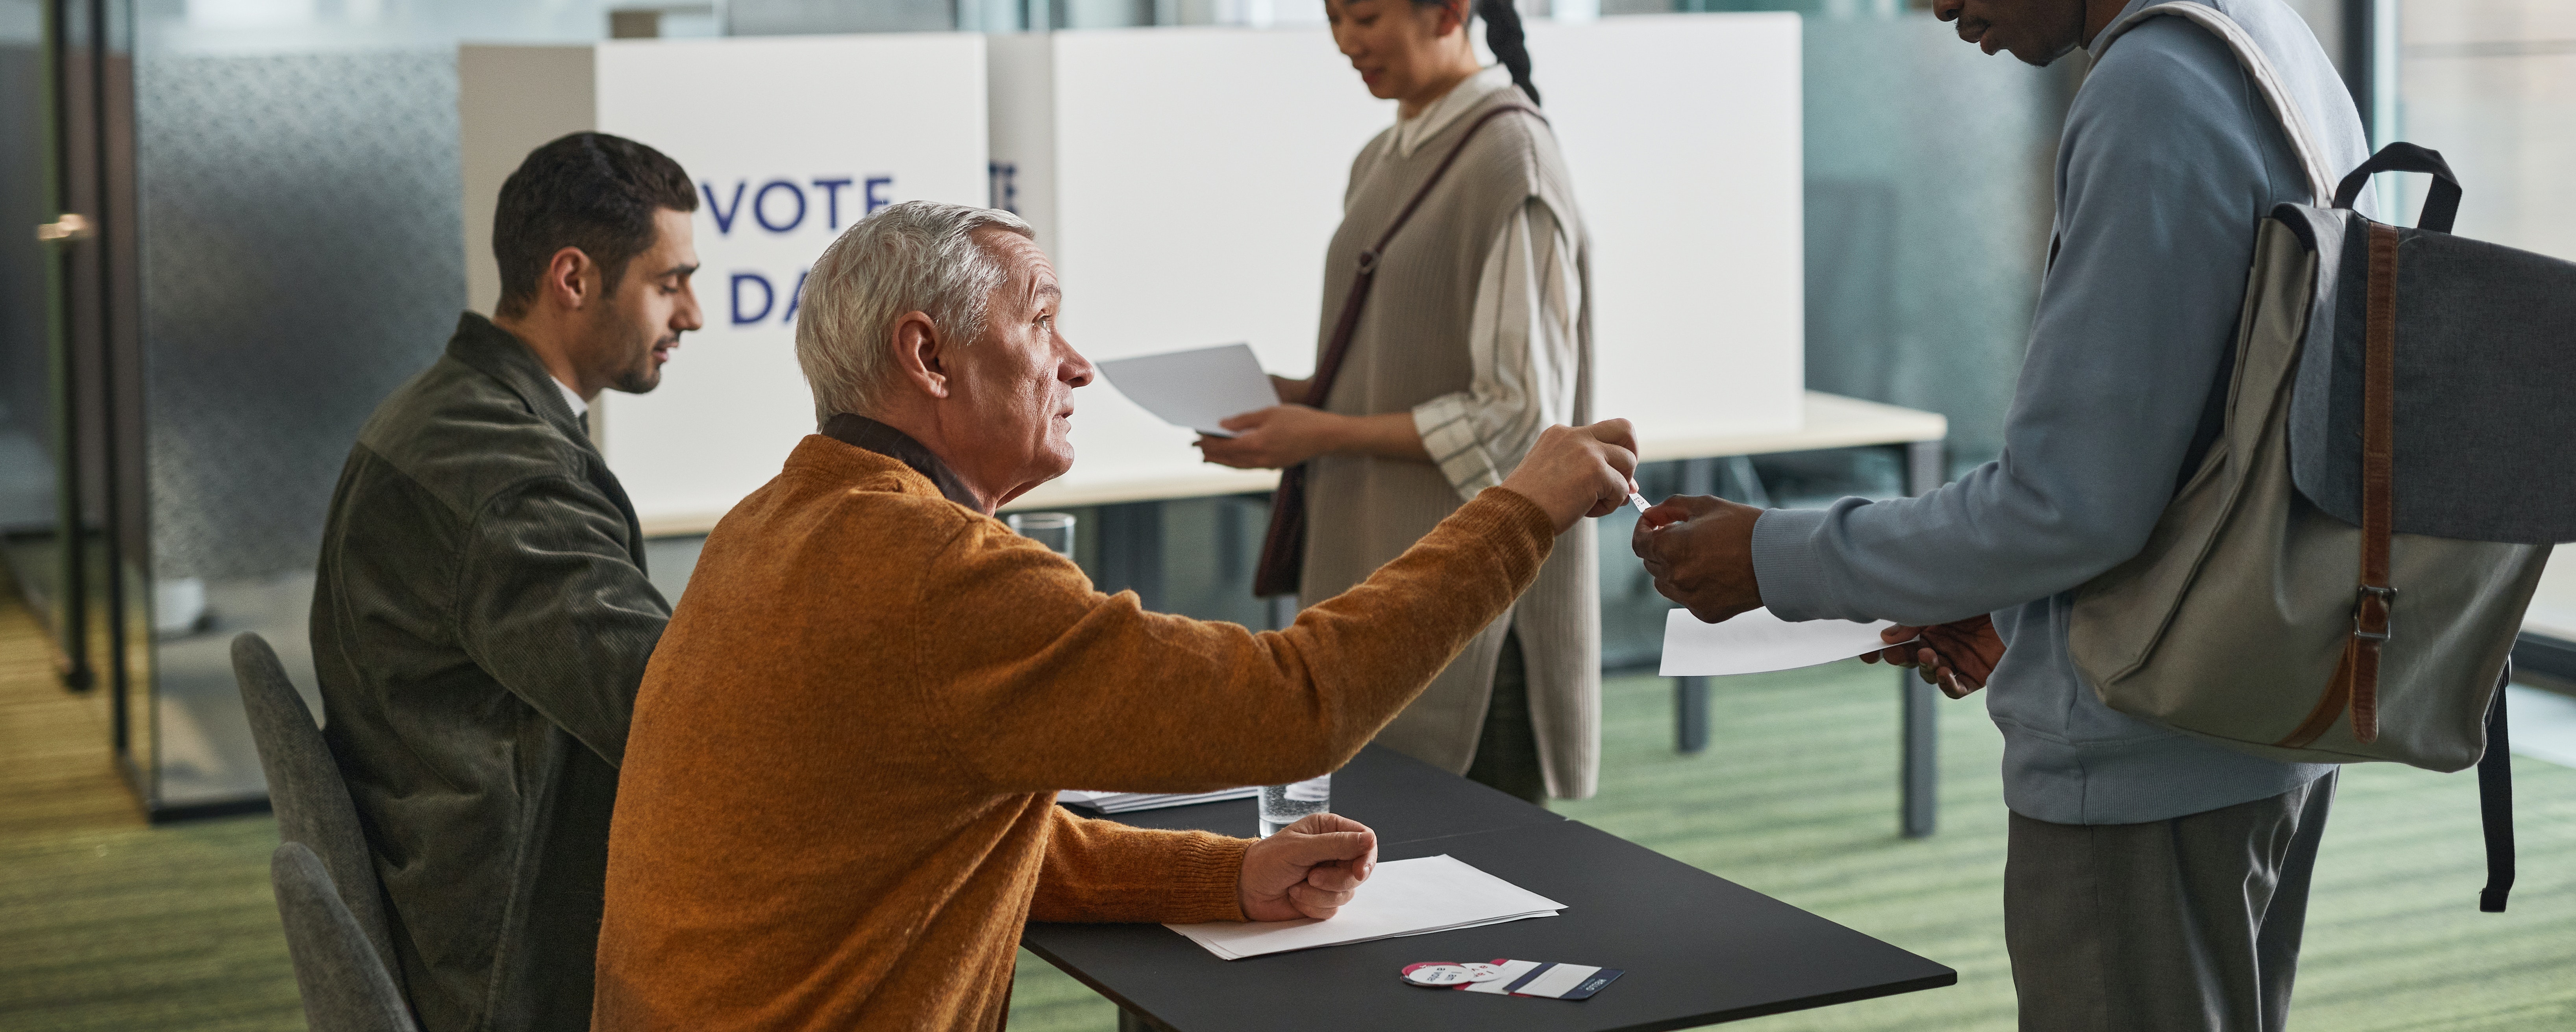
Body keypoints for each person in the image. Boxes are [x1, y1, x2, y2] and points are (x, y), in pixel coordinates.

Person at [1634, 0, 2363, 1032]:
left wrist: (1772, 559)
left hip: (2142, 758)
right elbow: (2201, 444)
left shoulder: (2146, 90)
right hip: (2253, 706)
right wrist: (2015, 606)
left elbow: (2068, 504)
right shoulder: (2263, 36)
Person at [592, 201, 1637, 1032]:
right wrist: (1520, 510)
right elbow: (1293, 704)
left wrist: (1224, 872)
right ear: (928, 356)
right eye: (1040, 321)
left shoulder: (767, 524)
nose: (1077, 363)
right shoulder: (934, 572)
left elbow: (935, 835)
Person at [1199, 0, 1598, 805]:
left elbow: (1516, 423)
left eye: (1365, 12)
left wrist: (1322, 433)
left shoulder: (1511, 163)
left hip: (1473, 605)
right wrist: (1297, 398)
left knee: (1484, 900)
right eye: (1334, 15)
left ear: (1450, 8)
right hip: (1383, 582)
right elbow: (1401, 366)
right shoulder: (1386, 156)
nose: (1346, 39)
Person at [310, 132, 703, 1032]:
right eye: (669, 281)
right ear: (574, 278)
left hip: (448, 877)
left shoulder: (453, 410)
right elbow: (671, 712)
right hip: (511, 950)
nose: (693, 315)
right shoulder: (506, 478)